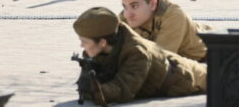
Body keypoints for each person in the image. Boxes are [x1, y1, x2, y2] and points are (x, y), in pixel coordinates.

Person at [72, 7, 207, 105]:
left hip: (185, 78)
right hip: (169, 65)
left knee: (222, 79)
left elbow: (122, 90)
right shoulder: (101, 48)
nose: (81, 46)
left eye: (84, 41)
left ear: (102, 42)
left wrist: (96, 89)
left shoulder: (137, 53)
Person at [118, 0, 211, 61]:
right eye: (125, 6)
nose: (127, 14)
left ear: (152, 4)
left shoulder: (174, 16)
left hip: (208, 60)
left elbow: (159, 61)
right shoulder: (126, 16)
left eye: (134, 6)